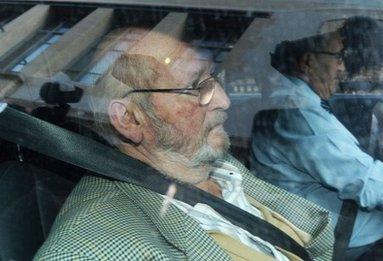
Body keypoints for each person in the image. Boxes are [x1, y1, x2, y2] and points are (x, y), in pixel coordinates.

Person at [34, 27, 335, 261]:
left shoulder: (209, 162)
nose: (223, 100)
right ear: (130, 120)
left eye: (212, 78)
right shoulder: (91, 246)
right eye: (195, 87)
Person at [249, 22, 383, 259]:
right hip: (351, 239)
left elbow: (344, 166)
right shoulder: (299, 114)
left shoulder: (298, 101)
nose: (343, 68)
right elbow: (370, 185)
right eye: (338, 57)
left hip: (344, 221)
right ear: (308, 62)